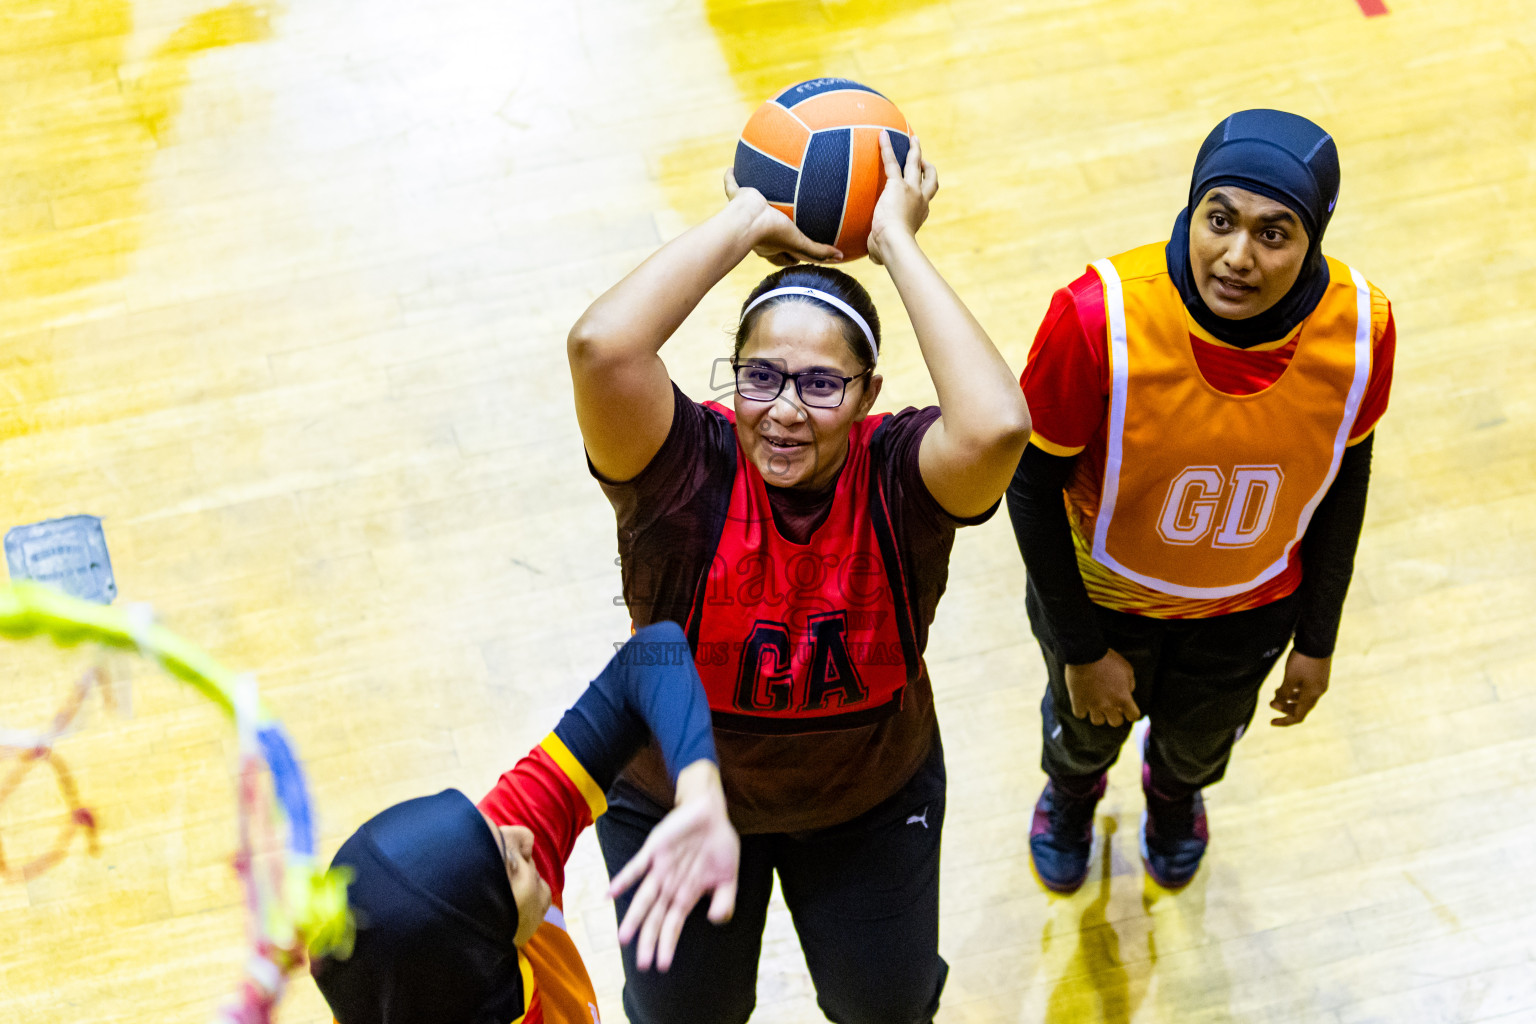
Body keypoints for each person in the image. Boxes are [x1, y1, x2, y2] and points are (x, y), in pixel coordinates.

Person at [566, 128, 1030, 1024]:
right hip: (675, 800)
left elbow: (998, 427)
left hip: (867, 806)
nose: (782, 411)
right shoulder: (683, 466)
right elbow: (601, 349)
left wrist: (896, 241)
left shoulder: (899, 474)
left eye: (821, 385)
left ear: (869, 397)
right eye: (760, 376)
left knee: (886, 1010)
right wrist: (750, 216)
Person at [1007, 109, 1395, 893]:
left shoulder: (1362, 328)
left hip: (1248, 611)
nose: (1237, 256)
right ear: (1191, 209)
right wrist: (1082, 649)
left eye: (1273, 233)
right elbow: (1027, 485)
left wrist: (1318, 638)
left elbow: (1344, 483)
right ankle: (1072, 794)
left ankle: (1175, 800)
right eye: (1218, 220)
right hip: (1103, 602)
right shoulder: (1095, 315)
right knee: (1082, 737)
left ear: (1312, 239)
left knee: (1197, 748)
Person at [309, 621, 740, 1024]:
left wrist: (698, 784)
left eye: (494, 833)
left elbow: (653, 652)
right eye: (511, 866)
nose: (524, 837)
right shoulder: (484, 881)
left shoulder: (483, 867)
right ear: (478, 960)